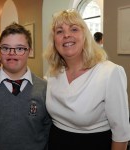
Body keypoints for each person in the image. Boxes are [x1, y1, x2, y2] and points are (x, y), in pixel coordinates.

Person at [44, 9, 130, 150]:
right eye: (59, 31)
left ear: (85, 36)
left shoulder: (109, 72)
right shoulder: (53, 73)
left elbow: (121, 133)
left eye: (74, 29)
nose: (66, 35)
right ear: (54, 41)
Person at [0, 22, 52, 150]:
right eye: (6, 48)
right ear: (0, 51)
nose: (11, 53)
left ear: (30, 51)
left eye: (19, 48)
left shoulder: (45, 90)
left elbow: (49, 134)